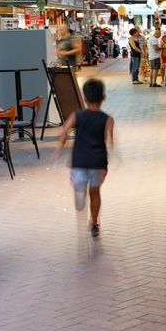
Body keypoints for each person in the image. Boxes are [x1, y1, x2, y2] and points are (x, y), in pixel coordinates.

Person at [54, 79, 114, 237]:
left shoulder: (76, 115)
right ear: (103, 98)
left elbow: (63, 132)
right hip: (98, 162)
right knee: (95, 192)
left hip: (79, 161)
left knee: (80, 189)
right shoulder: (108, 119)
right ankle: (94, 223)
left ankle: (79, 189)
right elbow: (109, 142)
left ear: (85, 99)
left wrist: (59, 150)